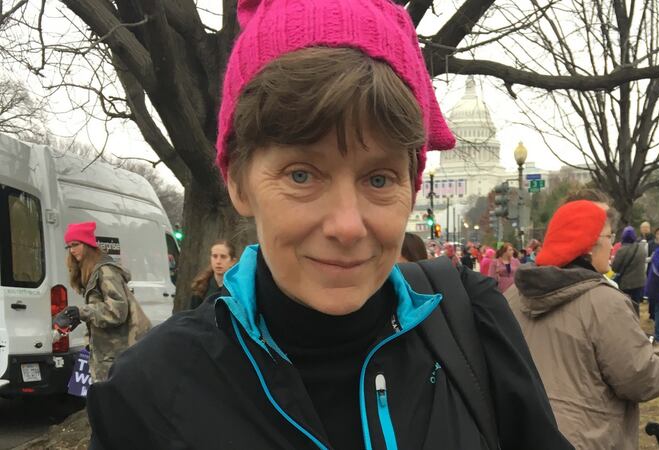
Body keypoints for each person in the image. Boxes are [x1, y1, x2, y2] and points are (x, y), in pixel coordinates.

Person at [86, 2, 572, 448]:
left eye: (379, 178)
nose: (347, 226)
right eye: (302, 174)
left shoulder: (474, 327)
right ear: (237, 181)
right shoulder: (146, 395)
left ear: (411, 183)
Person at [505, 200, 659, 449]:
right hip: (586, 439)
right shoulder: (605, 303)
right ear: (588, 246)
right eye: (609, 236)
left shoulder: (511, 297)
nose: (612, 244)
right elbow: (639, 379)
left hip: (523, 434)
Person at [56, 221, 151, 382]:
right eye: (69, 246)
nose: (72, 250)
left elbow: (117, 310)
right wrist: (80, 318)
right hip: (105, 352)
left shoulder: (105, 271)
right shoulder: (93, 271)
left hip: (115, 353)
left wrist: (82, 312)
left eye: (75, 244)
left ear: (87, 244)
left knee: (112, 402)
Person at [190, 240, 239, 309]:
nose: (218, 261)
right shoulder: (200, 288)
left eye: (223, 257)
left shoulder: (238, 288)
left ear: (232, 261)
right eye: (215, 256)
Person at [612, 226, 648, 316]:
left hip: (626, 284)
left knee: (625, 306)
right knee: (636, 305)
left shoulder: (621, 250)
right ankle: (636, 323)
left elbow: (615, 268)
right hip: (640, 282)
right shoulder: (641, 248)